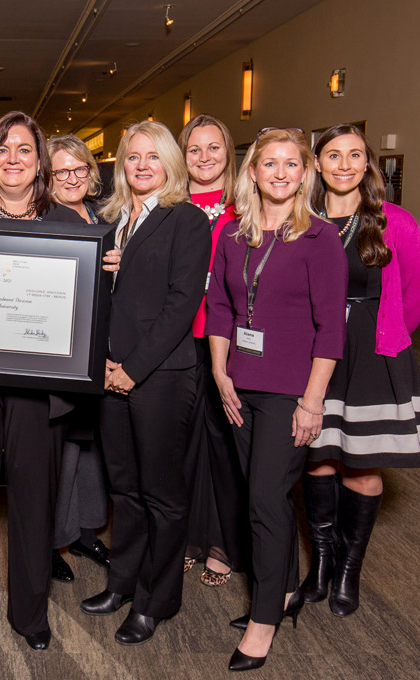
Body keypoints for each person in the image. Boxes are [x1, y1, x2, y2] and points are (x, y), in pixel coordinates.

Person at [0, 111, 104, 652]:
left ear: (40, 162)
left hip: (42, 392)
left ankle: (31, 615)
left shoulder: (70, 227)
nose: (13, 158)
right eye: (2, 149)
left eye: (24, 150)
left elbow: (85, 315)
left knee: (36, 503)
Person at [205, 127, 347, 671]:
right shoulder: (235, 235)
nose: (281, 173)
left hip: (292, 390)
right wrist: (220, 371)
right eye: (271, 164)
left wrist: (313, 402)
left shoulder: (319, 239)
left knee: (265, 498)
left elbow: (330, 328)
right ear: (254, 172)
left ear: (304, 173)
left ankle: (264, 619)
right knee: (260, 496)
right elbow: (219, 304)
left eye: (292, 164)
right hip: (239, 384)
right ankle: (284, 587)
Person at [78, 121, 210, 646]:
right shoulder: (114, 221)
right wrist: (106, 367)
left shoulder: (188, 221)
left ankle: (158, 600)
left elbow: (181, 306)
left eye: (152, 157)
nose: (141, 165)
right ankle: (123, 582)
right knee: (125, 490)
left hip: (160, 376)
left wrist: (132, 369)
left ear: (170, 164)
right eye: (132, 157)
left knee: (162, 495)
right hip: (113, 374)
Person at [303, 124, 420, 617]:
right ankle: (318, 566)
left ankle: (347, 573)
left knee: (361, 467)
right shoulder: (304, 219)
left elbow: (416, 295)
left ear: (367, 163)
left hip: (373, 354)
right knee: (317, 460)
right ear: (316, 163)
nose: (344, 164)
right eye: (333, 155)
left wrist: (385, 338)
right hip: (316, 352)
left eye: (355, 155)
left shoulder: (394, 220)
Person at [178, 114, 247, 588]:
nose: (204, 158)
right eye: (195, 149)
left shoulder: (249, 205)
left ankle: (222, 541)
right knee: (182, 445)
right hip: (180, 337)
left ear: (229, 153)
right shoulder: (169, 203)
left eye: (214, 148)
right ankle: (187, 537)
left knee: (224, 445)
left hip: (230, 339)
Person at [46, 134, 112, 582]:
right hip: (61, 349)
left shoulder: (109, 215)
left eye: (79, 169)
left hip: (106, 346)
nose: (71, 179)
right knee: (61, 449)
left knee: (95, 448)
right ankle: (50, 539)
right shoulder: (43, 218)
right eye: (60, 172)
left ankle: (87, 530)